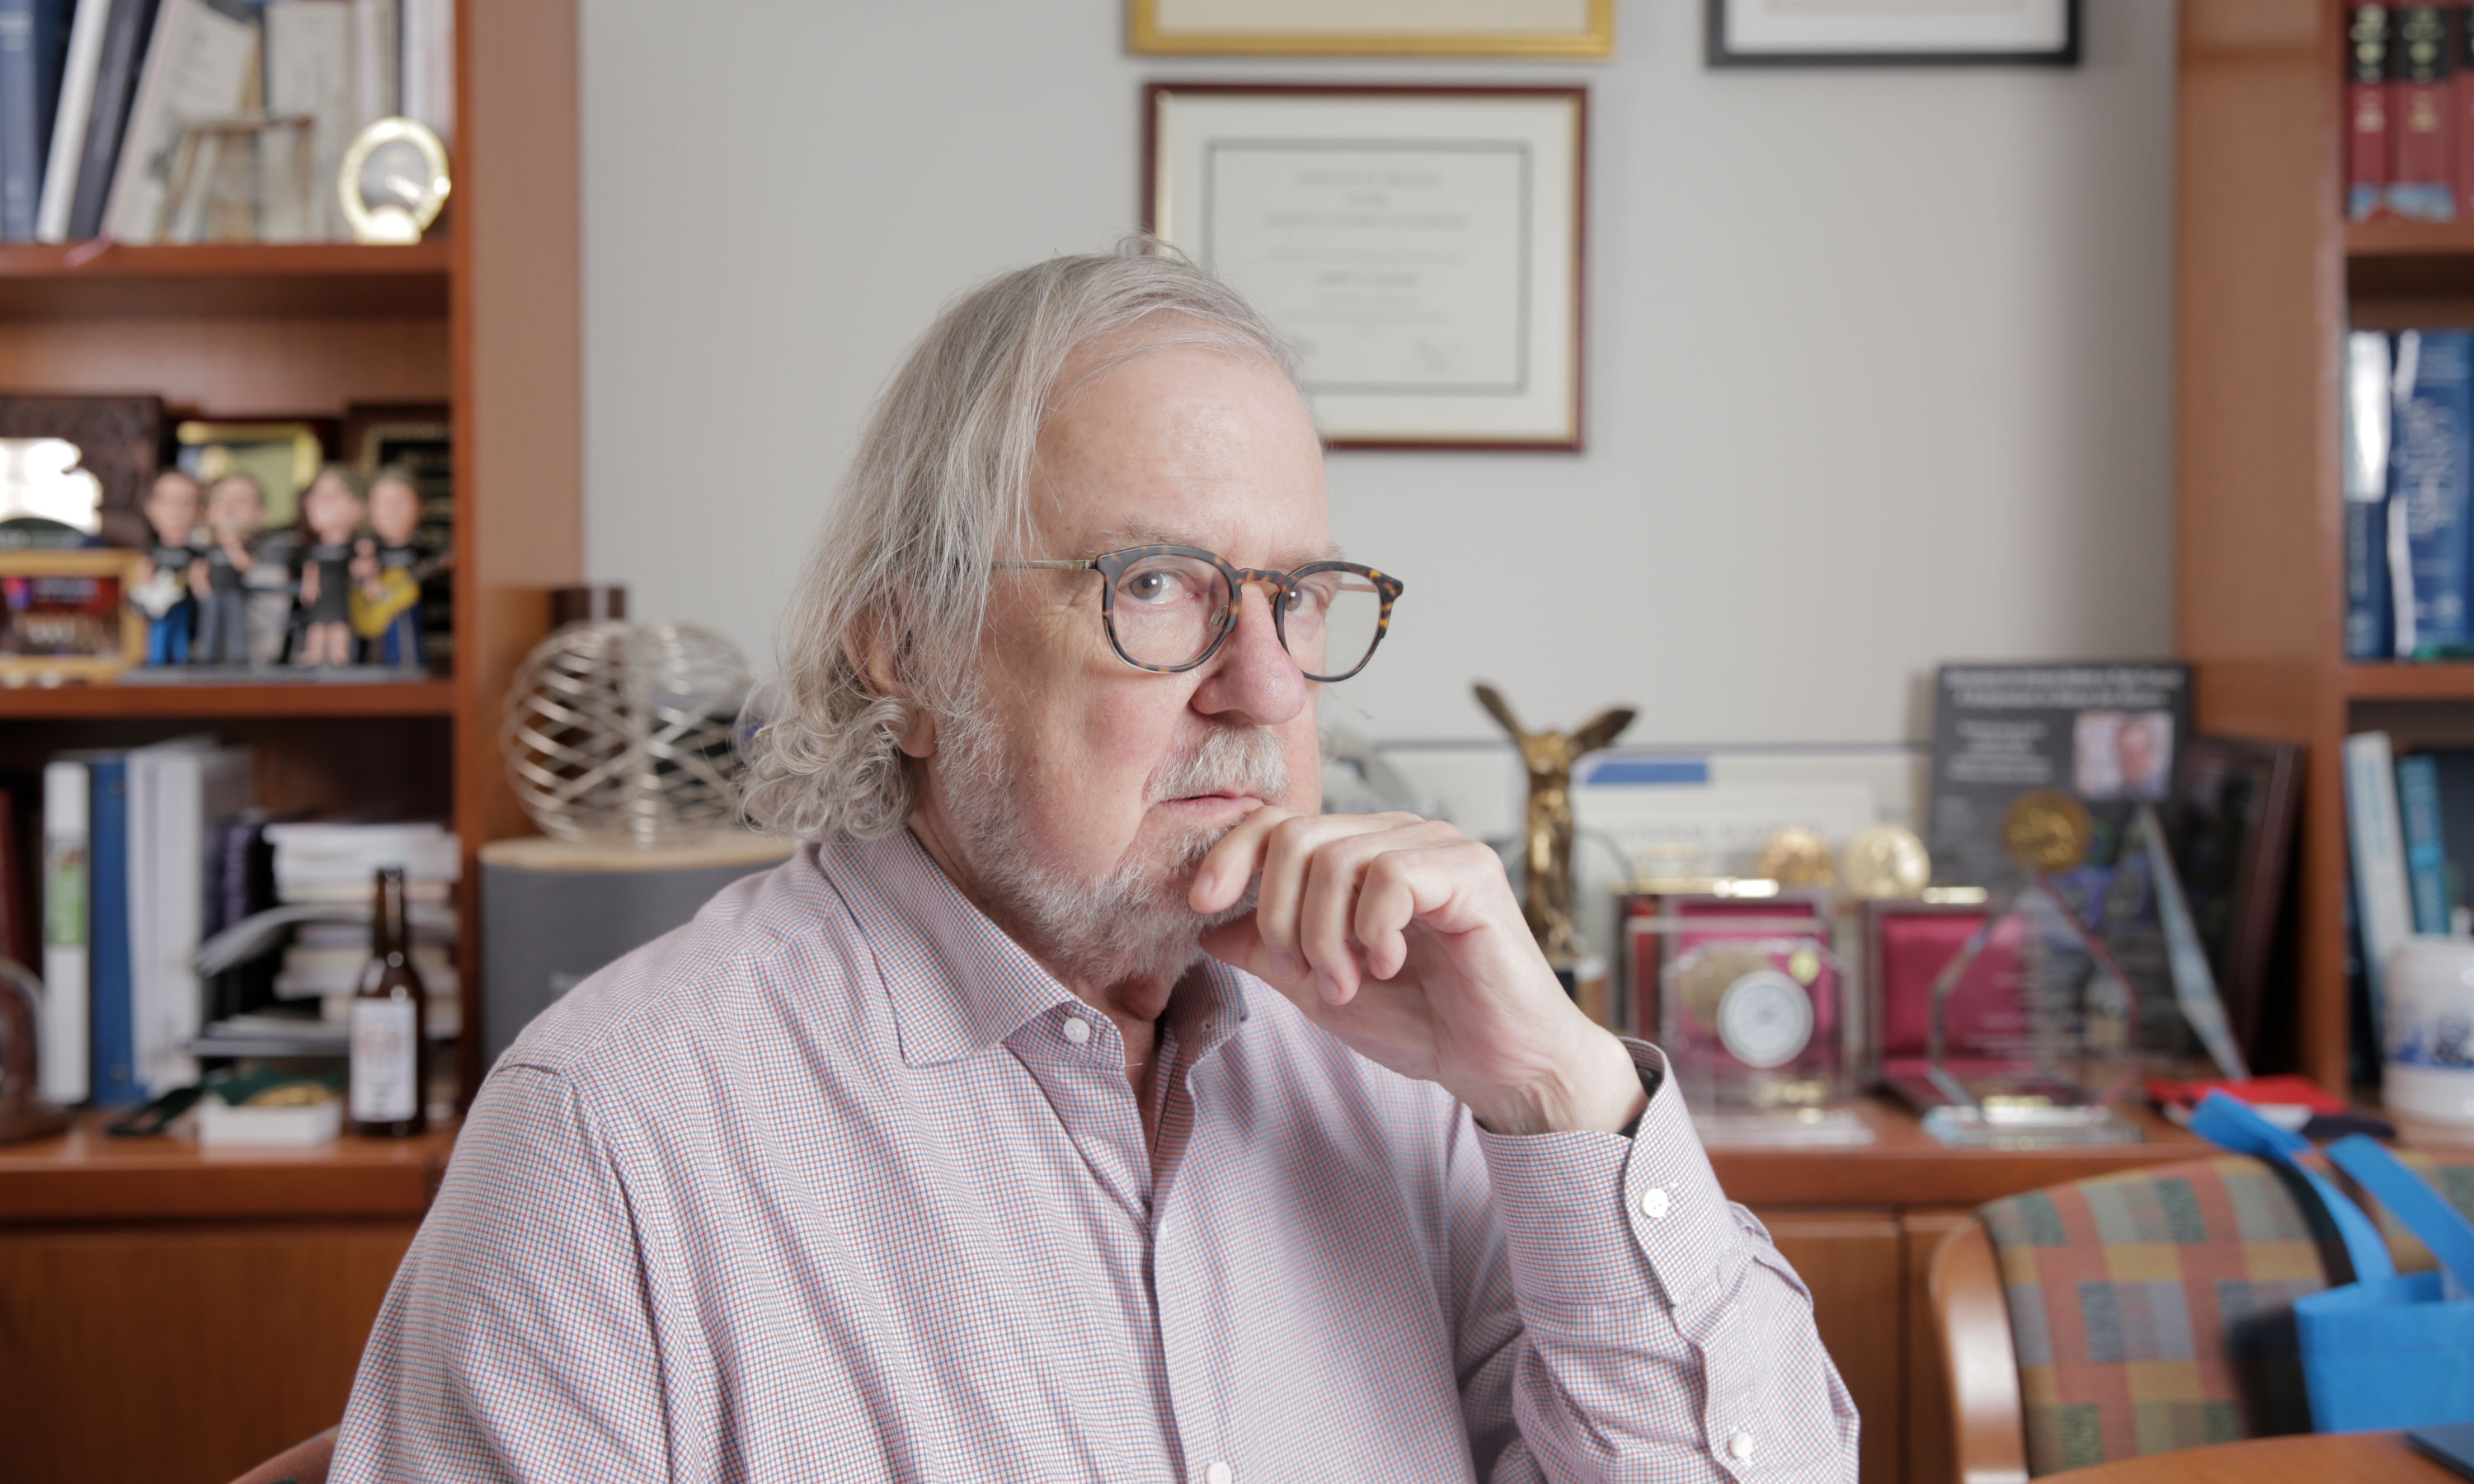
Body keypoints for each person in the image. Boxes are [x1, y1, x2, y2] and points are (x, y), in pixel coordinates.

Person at [332, 246, 1858, 1482]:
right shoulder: (616, 1139)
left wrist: (1563, 1101)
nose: (1263, 687)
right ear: (909, 648)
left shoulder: (1415, 1076)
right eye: (1155, 588)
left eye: (1301, 598)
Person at [295, 464, 368, 666]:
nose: (325, 502)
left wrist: (364, 571)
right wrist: (309, 586)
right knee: (317, 624)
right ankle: (313, 653)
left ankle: (339, 654)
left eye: (334, 494)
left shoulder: (355, 545)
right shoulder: (315, 547)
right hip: (322, 593)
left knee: (339, 624)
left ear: (360, 505)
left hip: (342, 593)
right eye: (318, 494)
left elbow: (360, 568)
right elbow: (312, 568)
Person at [190, 472, 264, 665]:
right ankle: (207, 654)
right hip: (212, 595)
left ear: (261, 512)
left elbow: (247, 565)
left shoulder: (259, 547)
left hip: (236, 593)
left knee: (235, 625)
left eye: (241, 501)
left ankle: (236, 656)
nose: (228, 509)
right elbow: (199, 568)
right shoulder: (205, 545)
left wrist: (231, 542)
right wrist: (200, 583)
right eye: (220, 500)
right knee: (209, 625)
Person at [134, 469, 202, 665]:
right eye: (167, 500)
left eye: (186, 502)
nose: (176, 510)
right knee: (158, 637)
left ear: (199, 510)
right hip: (158, 609)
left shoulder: (198, 556)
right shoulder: (148, 554)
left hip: (186, 610)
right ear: (150, 507)